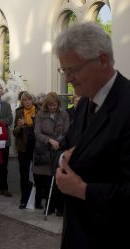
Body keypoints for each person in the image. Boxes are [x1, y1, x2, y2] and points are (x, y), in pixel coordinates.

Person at [53, 22, 130, 249]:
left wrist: (84, 190)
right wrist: (62, 158)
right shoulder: (85, 102)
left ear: (103, 60)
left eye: (73, 69)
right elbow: (62, 149)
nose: (67, 79)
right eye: (63, 70)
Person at [33, 92, 69, 216]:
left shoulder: (63, 114)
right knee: (48, 179)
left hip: (59, 149)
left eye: (55, 105)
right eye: (50, 105)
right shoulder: (40, 115)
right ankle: (50, 206)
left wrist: (59, 141)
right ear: (46, 105)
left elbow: (67, 132)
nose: (53, 107)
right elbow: (37, 133)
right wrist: (49, 140)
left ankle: (60, 207)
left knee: (59, 178)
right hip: (44, 151)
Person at [13, 91, 37, 209]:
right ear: (22, 102)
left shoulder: (39, 111)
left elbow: (41, 128)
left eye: (29, 99)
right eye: (25, 100)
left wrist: (34, 120)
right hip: (23, 147)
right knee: (24, 173)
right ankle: (24, 199)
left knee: (37, 172)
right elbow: (15, 133)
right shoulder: (18, 112)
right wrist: (19, 126)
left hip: (37, 147)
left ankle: (37, 199)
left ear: (33, 100)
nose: (27, 102)